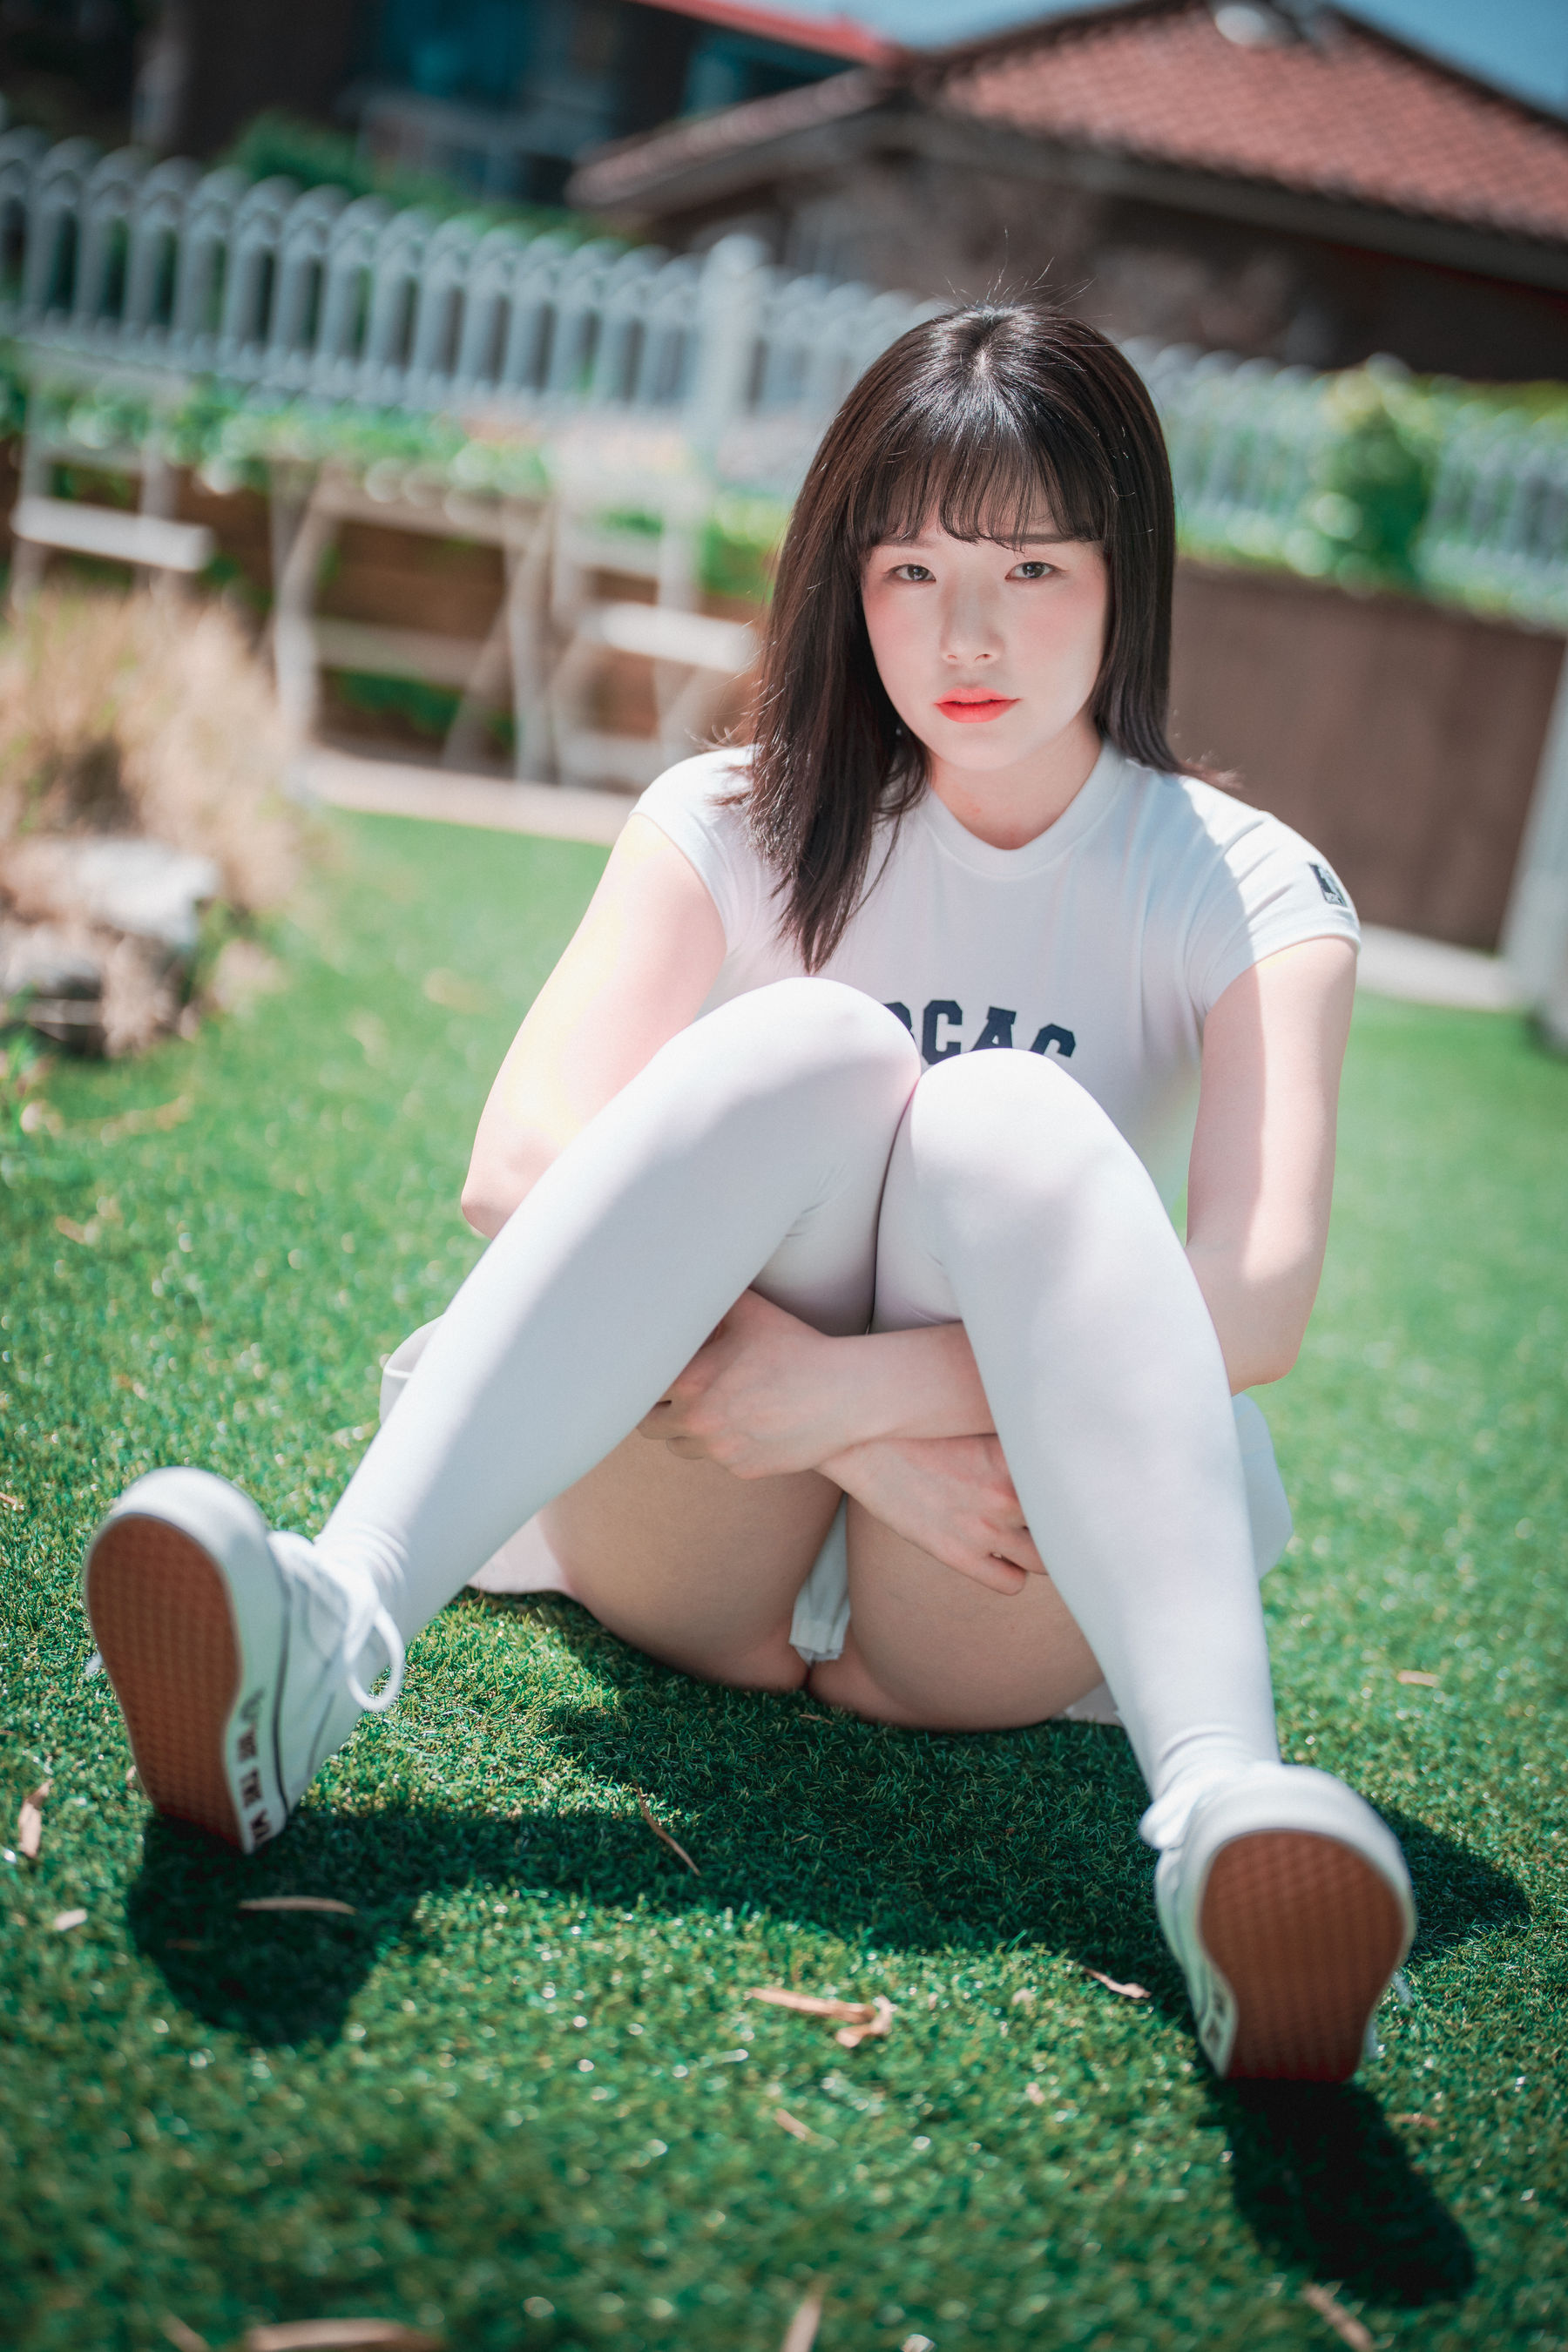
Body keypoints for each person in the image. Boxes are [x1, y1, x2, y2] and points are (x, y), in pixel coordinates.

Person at [84, 304, 1414, 2084]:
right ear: (846, 582)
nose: (966, 634)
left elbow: (1252, 1300)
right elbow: (520, 1161)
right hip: (693, 1504)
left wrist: (855, 1401)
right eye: (911, 569)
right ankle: (332, 1630)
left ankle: (1220, 1819)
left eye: (1031, 568)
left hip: (996, 1561)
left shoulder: (1246, 885)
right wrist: (807, 1422)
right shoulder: (730, 811)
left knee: (1008, 1123)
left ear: (1129, 578)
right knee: (810, 1049)